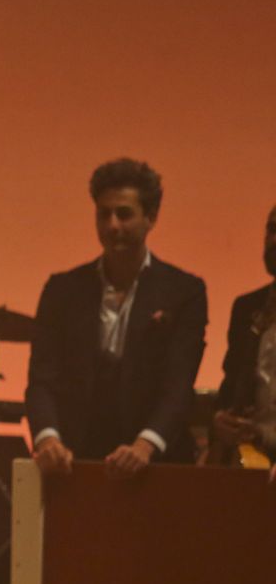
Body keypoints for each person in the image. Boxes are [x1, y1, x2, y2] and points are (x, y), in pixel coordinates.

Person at [27, 158, 207, 478]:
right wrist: (48, 439)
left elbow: (178, 387)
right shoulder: (62, 289)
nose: (112, 225)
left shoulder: (184, 292)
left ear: (151, 218)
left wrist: (145, 445)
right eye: (103, 213)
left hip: (156, 468)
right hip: (74, 463)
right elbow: (42, 379)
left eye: (124, 214)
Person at [211, 203, 276, 469]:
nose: (275, 240)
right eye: (272, 229)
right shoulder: (248, 307)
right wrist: (219, 422)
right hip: (251, 462)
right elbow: (230, 386)